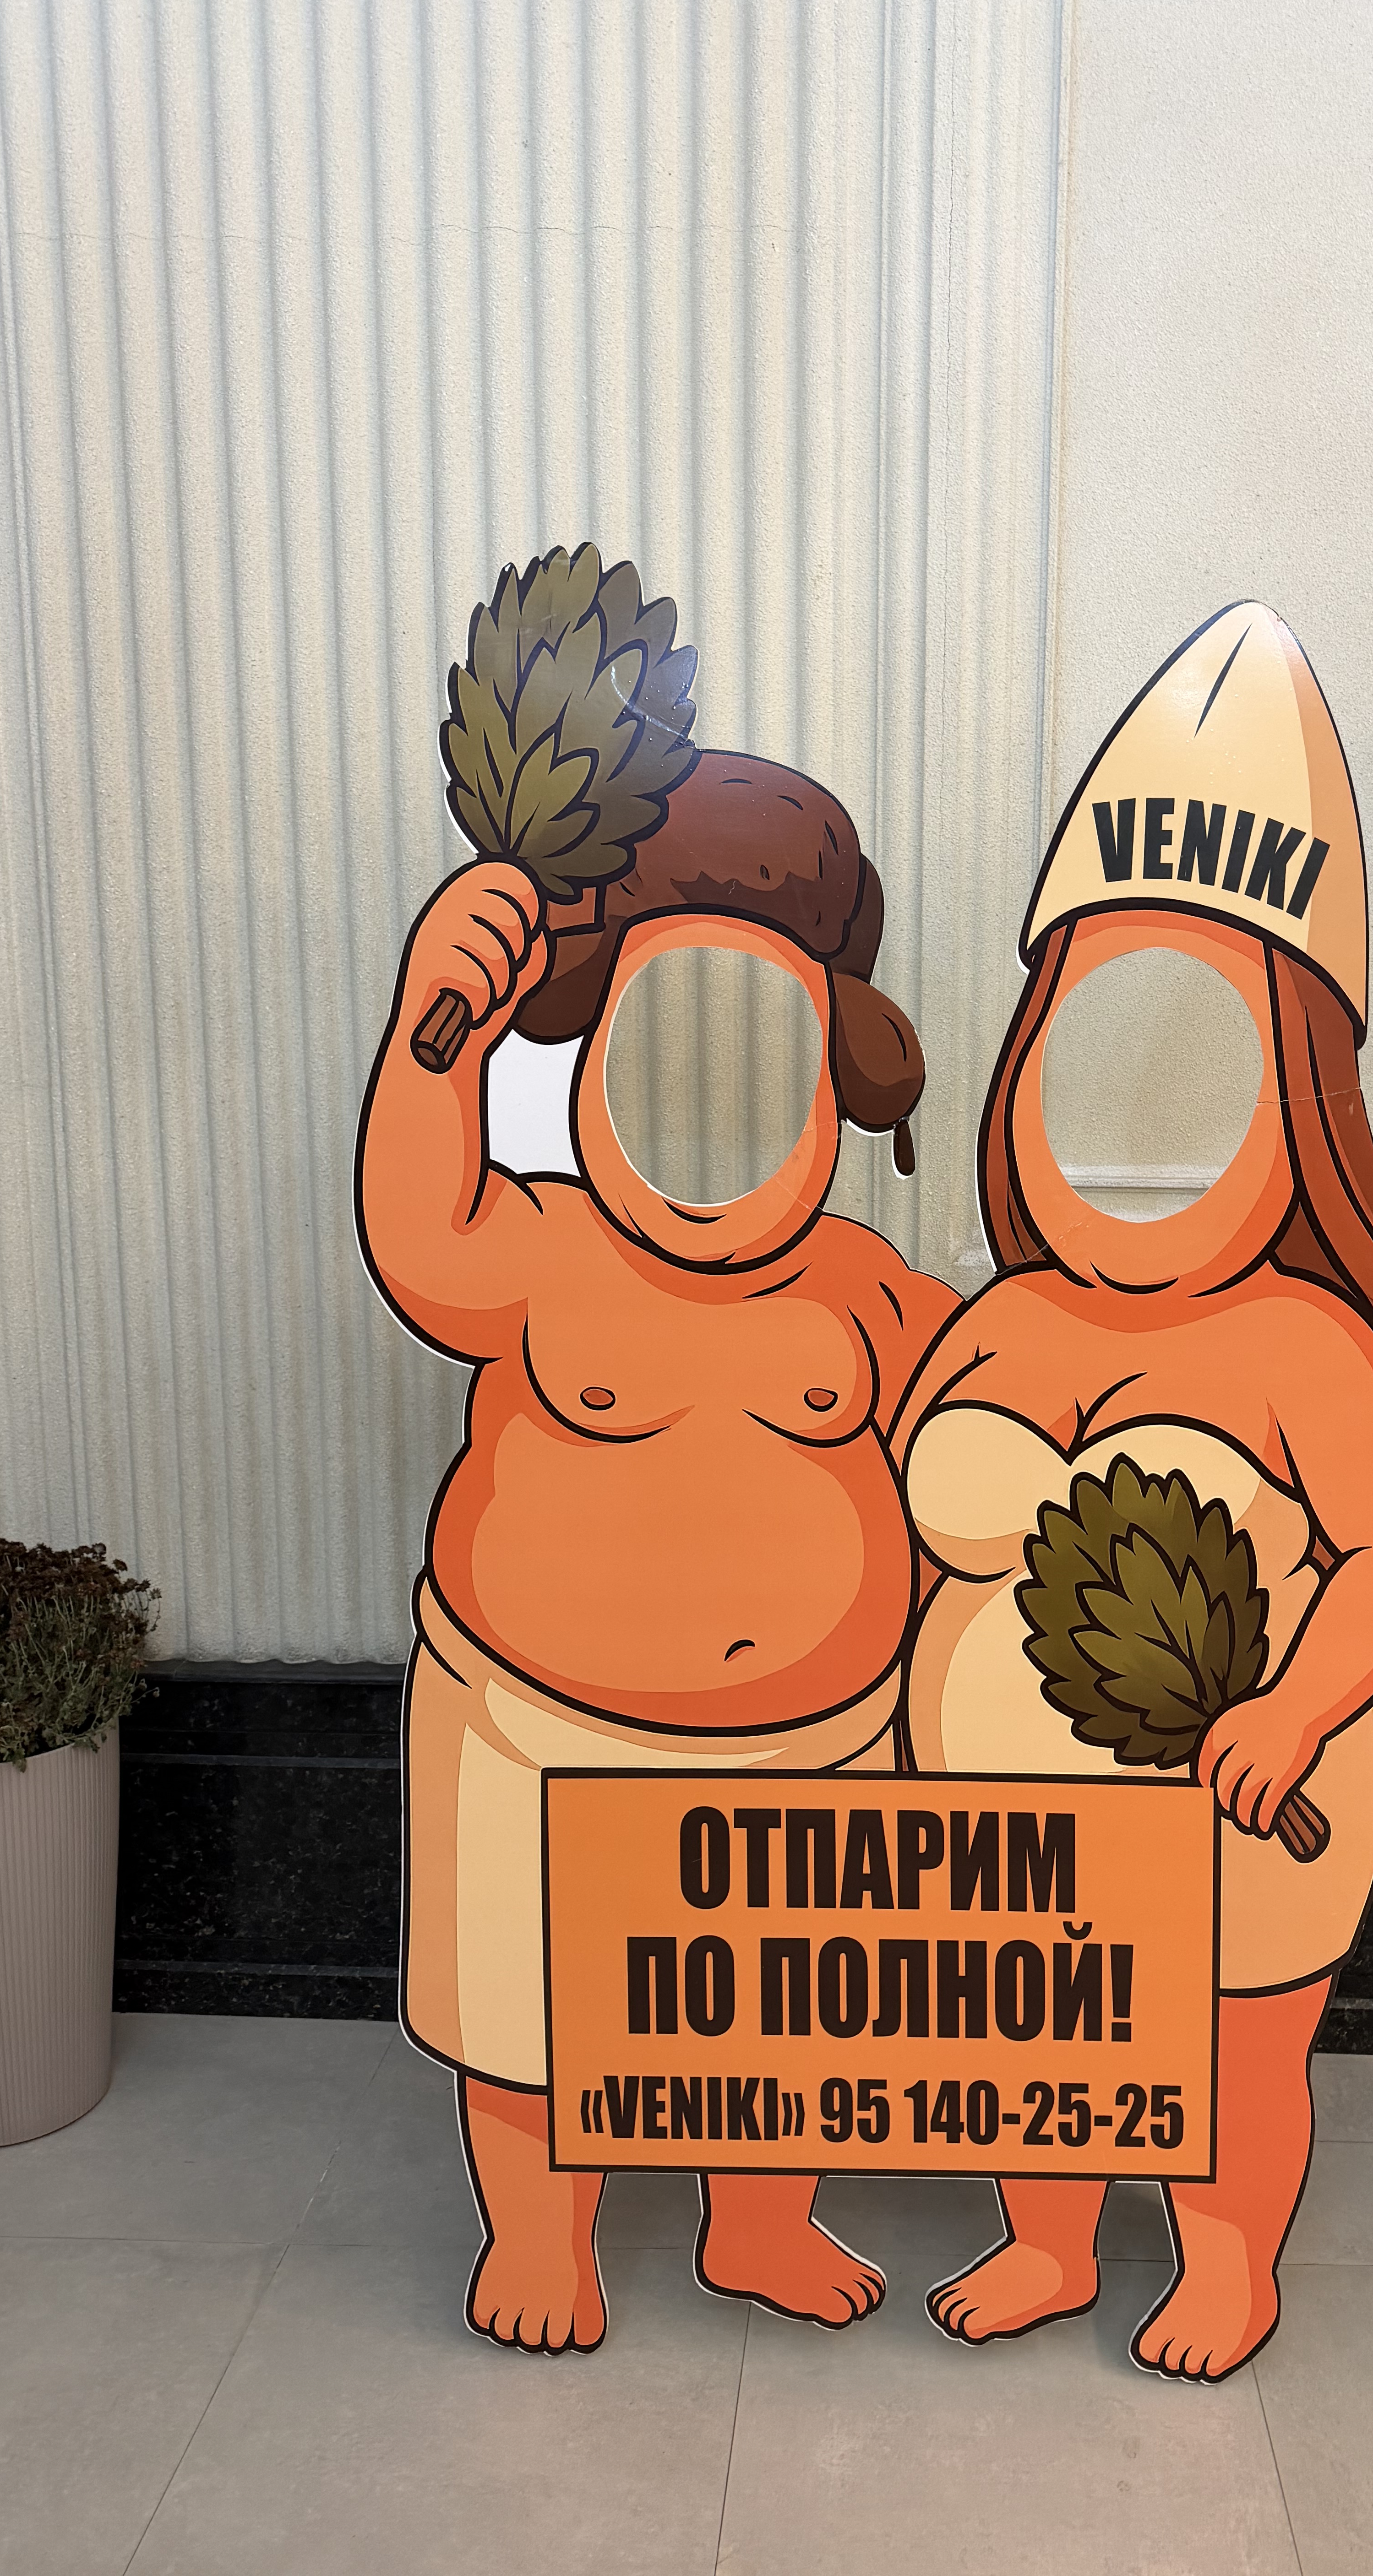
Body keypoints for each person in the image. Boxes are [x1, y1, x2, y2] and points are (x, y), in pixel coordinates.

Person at [892, 602, 1373, 2380]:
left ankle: (1226, 2265)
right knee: (1040, 2045)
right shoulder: (1002, 1318)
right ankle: (1049, 2242)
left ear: (1300, 1101)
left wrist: (1296, 1705)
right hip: (1018, 1840)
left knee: (1235, 2041)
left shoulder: (1303, 1345)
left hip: (1242, 1813)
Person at [357, 752, 955, 2353]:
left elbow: (987, 1419)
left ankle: (757, 2223)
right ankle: (538, 2237)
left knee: (781, 2018)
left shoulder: (862, 1287)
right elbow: (415, 1235)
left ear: (838, 1073)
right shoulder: (540, 1250)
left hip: (810, 1744)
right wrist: (433, 1031)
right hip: (532, 1726)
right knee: (522, 2007)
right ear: (595, 1052)